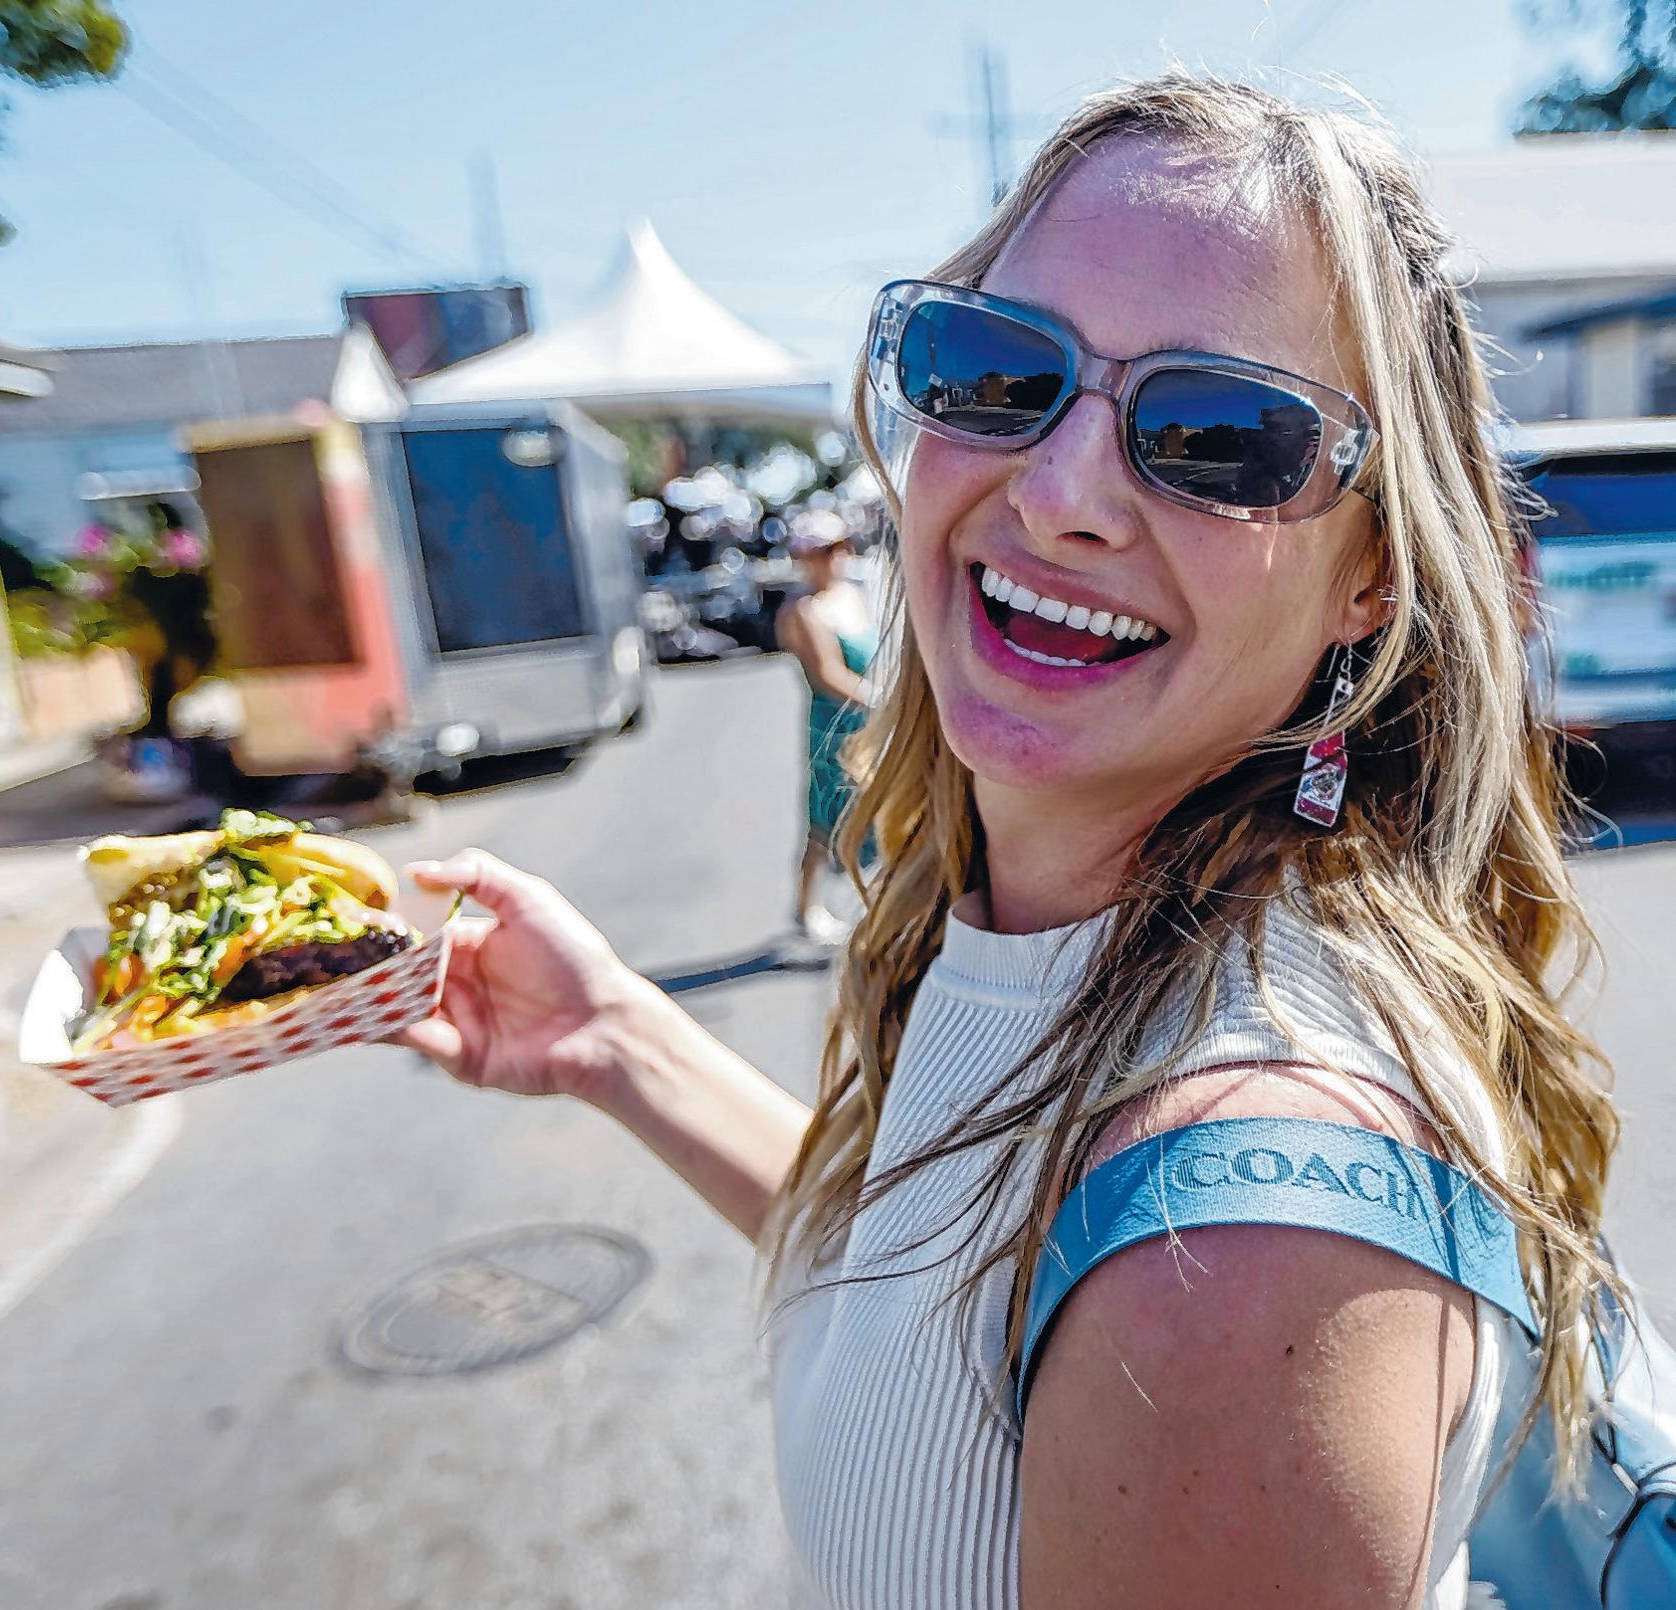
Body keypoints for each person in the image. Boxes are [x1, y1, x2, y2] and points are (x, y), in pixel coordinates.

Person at [398, 72, 1619, 1609]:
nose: (1059, 493)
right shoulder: (1059, 943)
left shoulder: (1232, 1257)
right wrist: (615, 1042)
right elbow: (934, 1297)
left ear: (1371, 575)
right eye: (994, 370)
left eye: (1221, 434)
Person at [775, 509, 878, 943]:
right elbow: (828, 675)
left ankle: (878, 904)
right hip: (834, 728)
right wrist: (882, 699)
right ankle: (807, 909)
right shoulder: (804, 611)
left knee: (880, 811)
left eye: (838, 547)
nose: (835, 557)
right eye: (822, 551)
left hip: (870, 723)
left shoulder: (852, 596)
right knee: (826, 819)